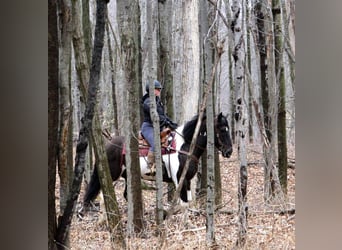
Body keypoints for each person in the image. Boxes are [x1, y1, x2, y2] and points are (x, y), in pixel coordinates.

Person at [141, 80, 178, 171]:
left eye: (159, 89)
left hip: (158, 127)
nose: (159, 91)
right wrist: (166, 122)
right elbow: (156, 116)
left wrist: (171, 122)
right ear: (151, 90)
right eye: (157, 89)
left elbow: (162, 115)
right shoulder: (147, 102)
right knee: (155, 144)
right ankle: (150, 167)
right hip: (148, 127)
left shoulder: (157, 101)